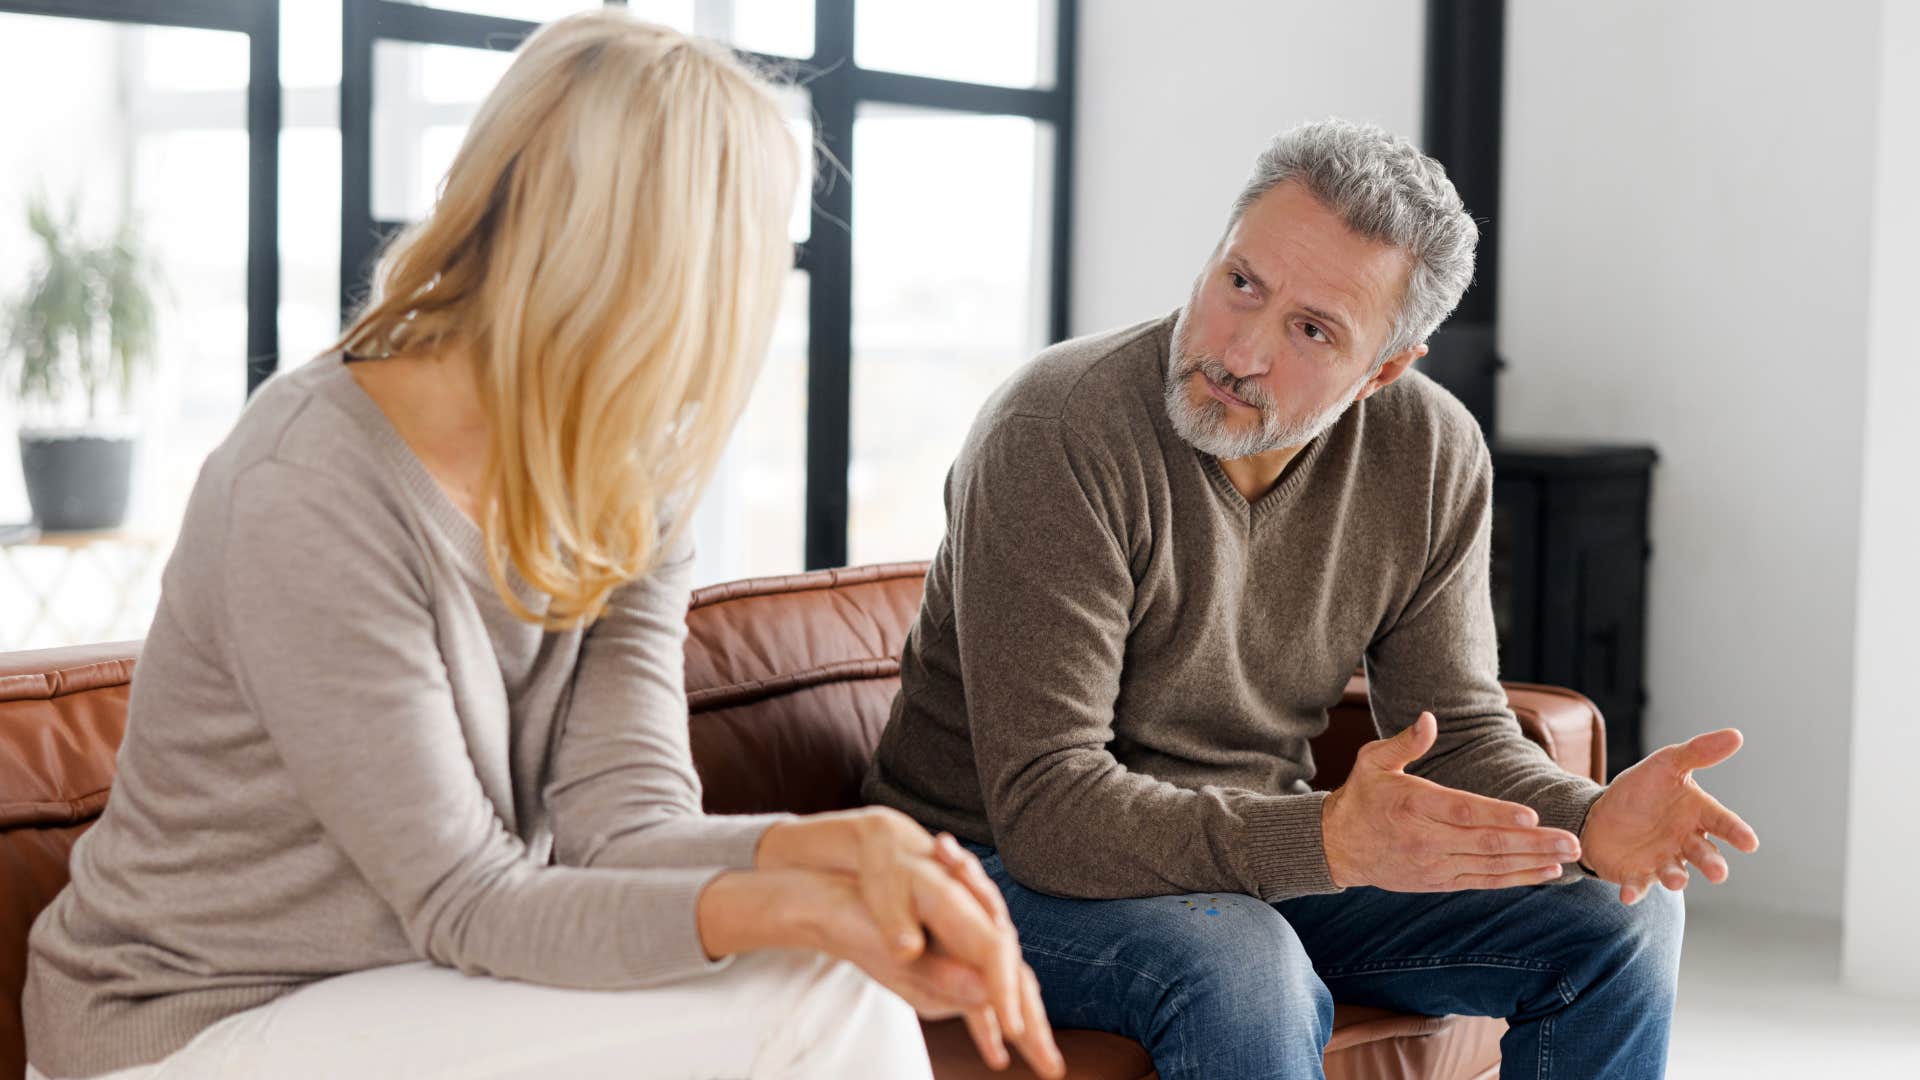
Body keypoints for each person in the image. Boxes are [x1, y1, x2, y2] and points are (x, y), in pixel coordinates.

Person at [24, 12, 1063, 1080]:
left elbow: (626, 826)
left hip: (414, 990)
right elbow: (469, 900)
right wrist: (807, 910)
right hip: (180, 1025)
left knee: (834, 991)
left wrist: (845, 848)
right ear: (647, 265)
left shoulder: (627, 475)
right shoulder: (308, 480)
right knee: (821, 996)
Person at [862, 117, 1761, 1079]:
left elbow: (1455, 734)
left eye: (1312, 330)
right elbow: (1049, 808)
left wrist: (1585, 820)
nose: (1238, 351)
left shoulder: (1430, 453)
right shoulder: (1058, 430)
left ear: (1383, 370)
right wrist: (1321, 839)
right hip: (991, 863)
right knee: (1244, 963)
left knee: (1617, 918)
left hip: (1249, 853)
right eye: (1240, 282)